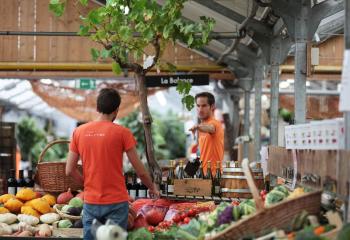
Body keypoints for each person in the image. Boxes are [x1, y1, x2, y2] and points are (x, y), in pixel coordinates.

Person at [66, 88, 159, 240]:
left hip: (91, 202)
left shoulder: (79, 132)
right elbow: (139, 169)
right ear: (116, 111)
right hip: (116, 203)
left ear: (97, 108)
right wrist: (152, 187)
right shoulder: (123, 133)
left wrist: (86, 184)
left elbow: (69, 170)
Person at [189, 92, 224, 175]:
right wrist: (189, 171)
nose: (200, 109)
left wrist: (198, 127)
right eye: (198, 106)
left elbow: (211, 128)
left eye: (204, 106)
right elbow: (202, 154)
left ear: (212, 106)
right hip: (203, 175)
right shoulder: (201, 127)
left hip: (214, 176)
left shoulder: (215, 124)